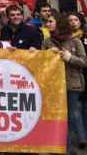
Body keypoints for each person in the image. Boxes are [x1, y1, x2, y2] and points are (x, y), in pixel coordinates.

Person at [42, 14, 87, 152]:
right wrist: (48, 55)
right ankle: (63, 145)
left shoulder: (74, 41)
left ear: (59, 23)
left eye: (50, 22)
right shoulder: (47, 41)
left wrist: (69, 57)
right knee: (59, 117)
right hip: (54, 85)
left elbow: (84, 62)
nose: (47, 24)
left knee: (72, 115)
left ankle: (69, 146)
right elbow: (41, 62)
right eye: (46, 22)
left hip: (72, 84)